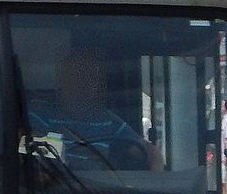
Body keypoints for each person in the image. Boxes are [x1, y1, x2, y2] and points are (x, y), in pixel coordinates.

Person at [29, 51, 160, 171]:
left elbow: (148, 151)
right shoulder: (39, 113)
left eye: (91, 77)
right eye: (78, 76)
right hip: (51, 191)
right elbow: (28, 155)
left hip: (95, 192)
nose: (85, 83)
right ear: (60, 80)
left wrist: (158, 182)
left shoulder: (107, 120)